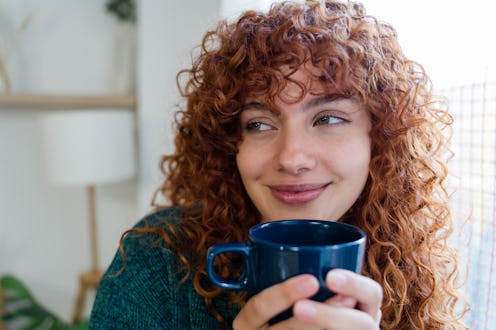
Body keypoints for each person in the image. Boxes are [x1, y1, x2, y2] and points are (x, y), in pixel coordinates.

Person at [89, 0, 469, 329]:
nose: (291, 158)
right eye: (259, 124)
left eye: (328, 119)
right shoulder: (157, 263)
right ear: (227, 145)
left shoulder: (411, 269)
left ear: (380, 138)